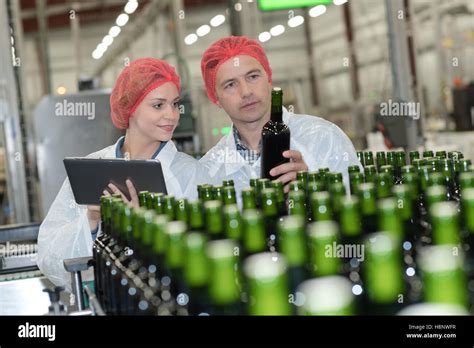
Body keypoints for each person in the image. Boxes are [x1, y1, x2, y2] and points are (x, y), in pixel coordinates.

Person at [37, 58, 208, 288]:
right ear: (130, 108)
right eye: (158, 105)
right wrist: (91, 221)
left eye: (175, 104)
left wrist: (146, 229)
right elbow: (49, 257)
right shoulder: (91, 169)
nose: (172, 115)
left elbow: (206, 255)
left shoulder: (190, 173)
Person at [199, 36, 361, 204]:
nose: (246, 91)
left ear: (269, 80)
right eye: (230, 84)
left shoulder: (324, 137)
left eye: (253, 77)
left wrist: (314, 188)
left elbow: (357, 210)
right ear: (215, 98)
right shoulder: (209, 169)